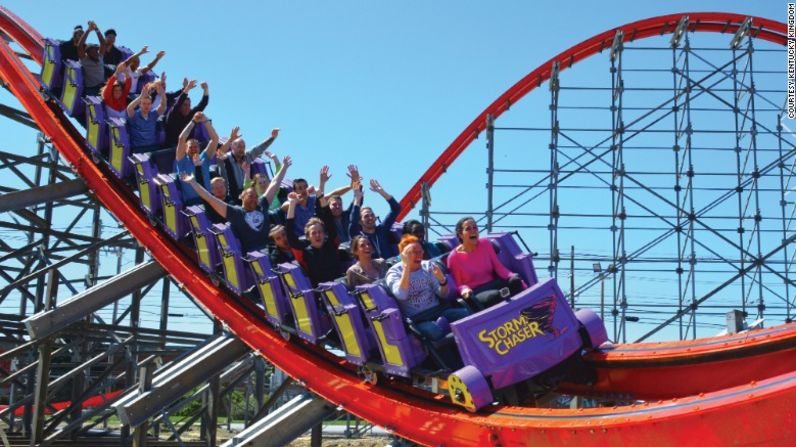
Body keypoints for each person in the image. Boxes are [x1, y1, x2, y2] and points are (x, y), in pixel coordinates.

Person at [182, 155, 292, 253]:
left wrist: (284, 167)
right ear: (241, 197)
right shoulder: (236, 212)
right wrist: (193, 182)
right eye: (250, 196)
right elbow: (209, 198)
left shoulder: (262, 205)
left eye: (255, 196)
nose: (254, 198)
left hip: (274, 249)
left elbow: (274, 184)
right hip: (256, 255)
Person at [385, 235, 469, 341]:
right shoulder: (394, 272)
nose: (418, 255)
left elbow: (442, 294)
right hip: (418, 319)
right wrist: (406, 268)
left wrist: (442, 281)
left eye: (420, 251)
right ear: (403, 255)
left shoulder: (427, 265)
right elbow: (402, 295)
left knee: (465, 314)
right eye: (414, 252)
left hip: (437, 310)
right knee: (434, 330)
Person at [446, 217, 524, 309]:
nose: (473, 231)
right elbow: (459, 285)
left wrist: (512, 276)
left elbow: (499, 267)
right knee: (494, 296)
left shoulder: (485, 244)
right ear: (460, 235)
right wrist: (464, 290)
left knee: (516, 281)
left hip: (493, 283)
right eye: (468, 229)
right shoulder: (453, 257)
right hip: (476, 292)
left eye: (475, 228)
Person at [285, 193, 346, 286]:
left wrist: (320, 196)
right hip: (322, 292)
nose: (317, 235)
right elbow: (289, 233)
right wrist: (292, 204)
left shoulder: (331, 243)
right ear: (308, 237)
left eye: (320, 232)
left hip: (342, 286)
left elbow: (329, 220)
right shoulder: (304, 252)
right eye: (313, 233)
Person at [217, 128, 280, 202]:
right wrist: (231, 139)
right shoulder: (226, 158)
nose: (242, 149)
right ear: (232, 147)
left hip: (246, 195)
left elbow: (259, 148)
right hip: (230, 197)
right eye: (239, 147)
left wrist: (272, 138)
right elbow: (220, 153)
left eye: (243, 147)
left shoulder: (247, 156)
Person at [175, 112, 219, 206]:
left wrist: (205, 121)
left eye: (196, 147)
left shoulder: (204, 157)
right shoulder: (182, 160)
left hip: (209, 200)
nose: (194, 149)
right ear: (186, 149)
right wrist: (194, 121)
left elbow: (215, 139)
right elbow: (182, 138)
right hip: (193, 204)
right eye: (191, 147)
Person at [349, 179, 401, 259]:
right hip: (370, 270)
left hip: (389, 268)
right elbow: (353, 221)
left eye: (372, 215)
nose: (370, 218)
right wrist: (357, 199)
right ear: (360, 221)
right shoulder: (358, 236)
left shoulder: (382, 229)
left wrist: (381, 191)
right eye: (366, 216)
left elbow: (396, 208)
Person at [101, 46, 148, 119]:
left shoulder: (122, 97)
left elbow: (128, 85)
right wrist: (116, 72)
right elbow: (110, 84)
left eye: (119, 90)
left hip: (124, 125)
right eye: (115, 90)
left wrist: (127, 75)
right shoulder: (108, 96)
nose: (118, 92)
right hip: (112, 126)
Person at [164, 79, 209, 147]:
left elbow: (203, 104)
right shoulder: (173, 113)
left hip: (186, 146)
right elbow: (179, 102)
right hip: (171, 147)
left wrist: (206, 89)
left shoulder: (190, 114)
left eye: (189, 105)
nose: (187, 107)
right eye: (185, 105)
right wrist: (187, 88)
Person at [126, 82, 166, 153]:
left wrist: (162, 94)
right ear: (140, 105)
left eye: (148, 104)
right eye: (144, 103)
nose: (146, 106)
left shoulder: (153, 114)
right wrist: (141, 97)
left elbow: (163, 106)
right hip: (139, 149)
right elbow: (129, 108)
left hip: (152, 147)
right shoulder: (135, 115)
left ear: (151, 105)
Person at [76, 21, 108, 96]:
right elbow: (79, 46)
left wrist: (96, 29)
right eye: (92, 51)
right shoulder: (85, 60)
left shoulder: (100, 56)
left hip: (102, 86)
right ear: (88, 53)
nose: (95, 52)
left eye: (95, 50)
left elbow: (103, 43)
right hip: (91, 88)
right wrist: (88, 31)